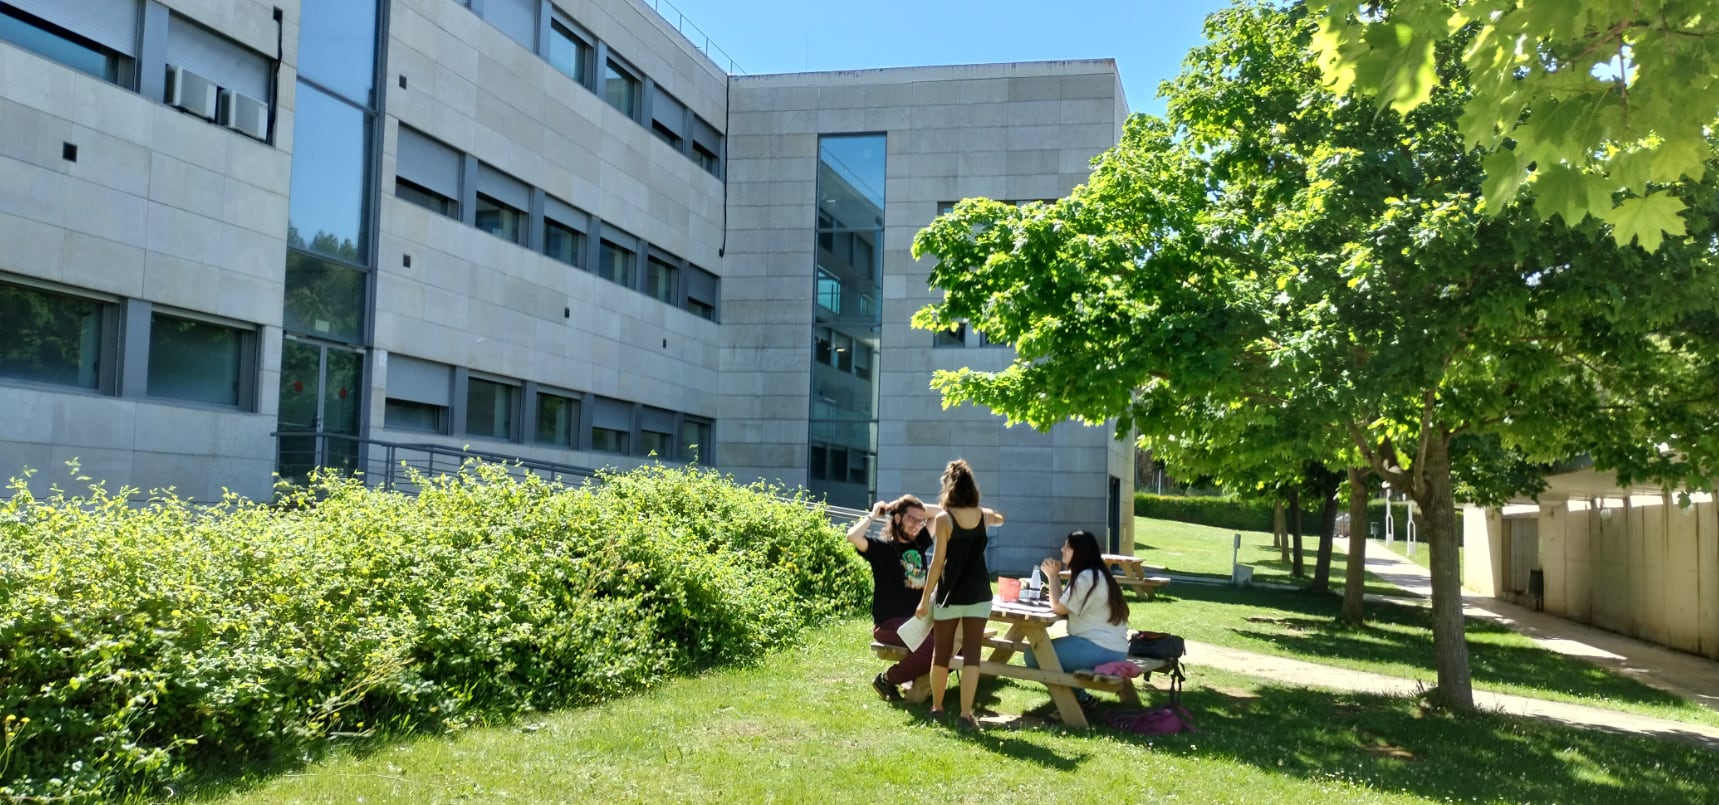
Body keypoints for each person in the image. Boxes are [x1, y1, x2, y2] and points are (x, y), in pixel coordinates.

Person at [915, 459, 1004, 730]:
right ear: (971, 487)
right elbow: (1000, 518)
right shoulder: (983, 516)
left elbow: (937, 563)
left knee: (941, 654)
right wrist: (989, 514)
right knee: (972, 655)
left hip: (950, 594)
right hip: (979, 595)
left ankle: (937, 708)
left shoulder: (944, 520)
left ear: (949, 487)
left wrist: (924, 600)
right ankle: (966, 715)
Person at [847, 494, 940, 702]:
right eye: (911, 519)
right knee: (933, 649)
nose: (916, 525)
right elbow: (852, 536)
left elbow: (941, 513)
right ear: (897, 518)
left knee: (955, 642)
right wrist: (875, 513)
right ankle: (887, 679)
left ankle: (914, 679)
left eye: (920, 520)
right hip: (890, 624)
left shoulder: (919, 544)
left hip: (919, 621)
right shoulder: (882, 549)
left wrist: (906, 506)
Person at [1029, 529, 1130, 707]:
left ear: (1080, 551)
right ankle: (1081, 699)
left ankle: (1079, 700)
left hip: (1101, 648)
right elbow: (1063, 605)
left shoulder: (1087, 577)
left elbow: (1058, 608)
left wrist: (1052, 576)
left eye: (1067, 546)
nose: (1062, 549)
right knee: (1043, 654)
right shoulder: (1096, 574)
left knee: (1034, 655)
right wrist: (1055, 578)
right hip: (1112, 647)